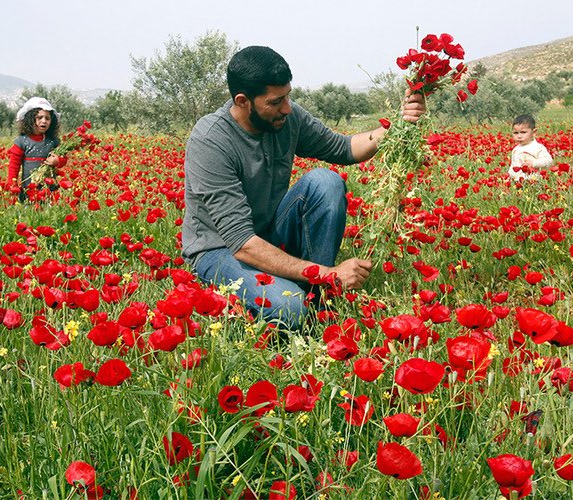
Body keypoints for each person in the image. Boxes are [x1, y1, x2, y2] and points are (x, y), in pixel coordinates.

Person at [182, 46, 426, 331]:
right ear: (242, 101)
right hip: (221, 249)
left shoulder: (286, 117)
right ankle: (314, 287)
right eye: (275, 101)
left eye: (287, 96)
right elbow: (241, 242)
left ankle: (318, 296)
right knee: (290, 308)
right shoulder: (211, 141)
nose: (286, 108)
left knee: (325, 181)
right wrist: (328, 273)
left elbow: (344, 148)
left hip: (267, 235)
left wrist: (399, 124)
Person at [7, 97, 66, 202]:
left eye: (47, 118)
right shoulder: (22, 141)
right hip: (28, 188)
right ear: (30, 120)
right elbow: (14, 165)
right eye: (39, 117)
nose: (44, 121)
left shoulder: (53, 141)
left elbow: (63, 158)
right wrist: (12, 185)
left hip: (49, 188)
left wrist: (57, 161)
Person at [508, 114, 553, 182]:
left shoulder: (538, 147)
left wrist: (533, 163)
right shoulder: (516, 149)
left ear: (534, 132)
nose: (519, 136)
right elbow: (513, 166)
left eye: (523, 132)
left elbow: (549, 161)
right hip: (517, 181)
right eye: (515, 133)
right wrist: (509, 177)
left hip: (533, 181)